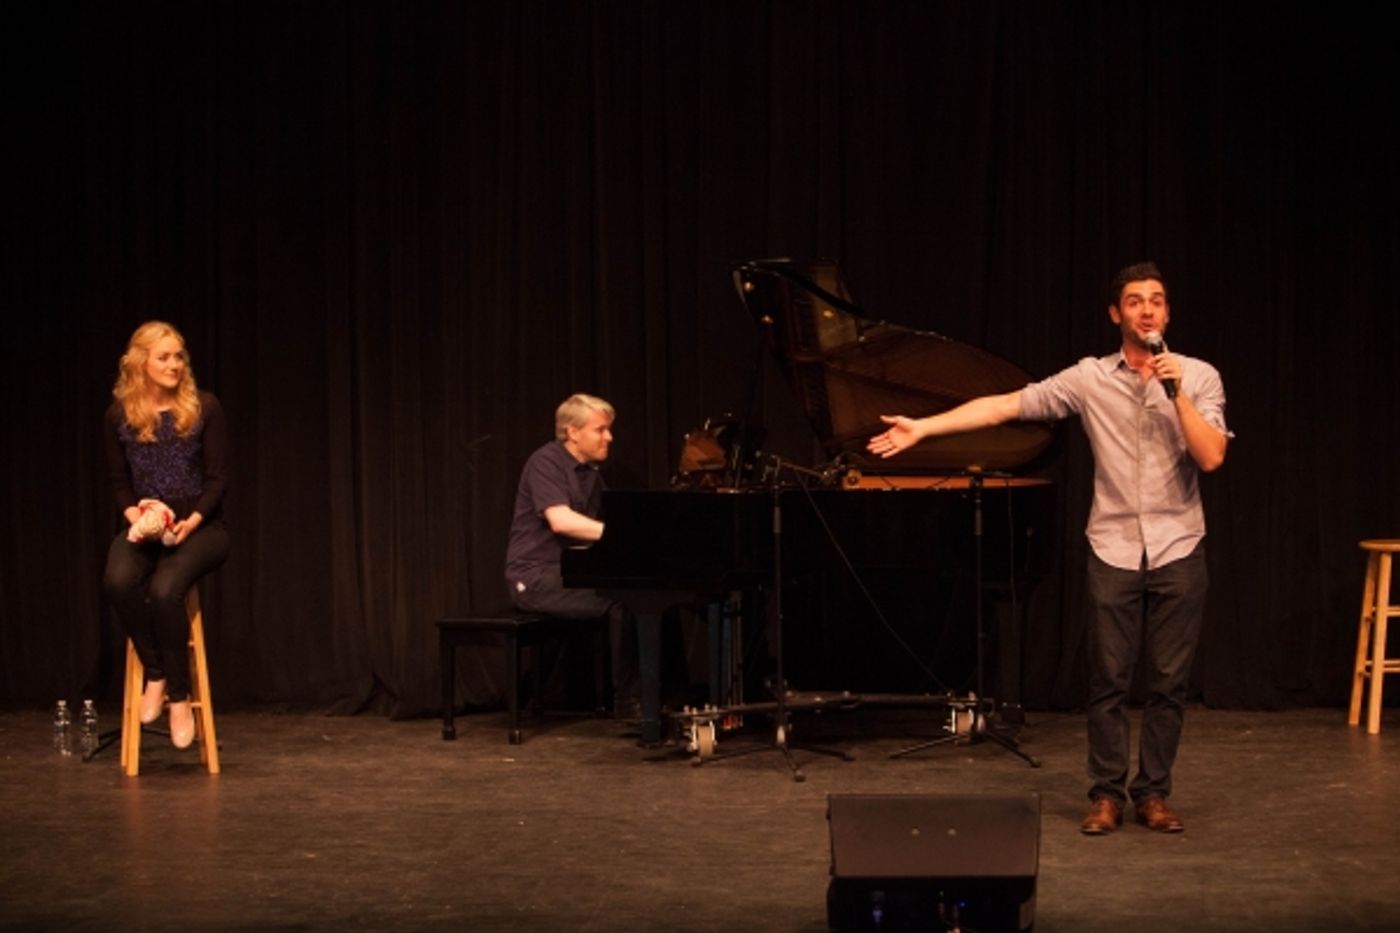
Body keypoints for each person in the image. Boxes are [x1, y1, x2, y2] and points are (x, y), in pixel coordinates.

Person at [868, 262, 1228, 835]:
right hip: (1112, 545)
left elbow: (1211, 456)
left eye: (1157, 301)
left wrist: (1176, 391)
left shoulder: (1199, 377)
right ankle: (1107, 795)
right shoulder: (1088, 378)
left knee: (1168, 683)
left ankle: (1153, 794)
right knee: (1108, 680)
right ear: (1117, 314)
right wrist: (925, 429)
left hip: (1178, 545)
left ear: (1168, 312)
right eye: (1135, 301)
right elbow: (1006, 405)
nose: (1147, 310)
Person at [102, 321, 230, 750]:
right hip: (147, 523)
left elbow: (216, 481)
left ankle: (179, 695)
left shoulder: (204, 407)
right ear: (141, 362)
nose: (174, 364)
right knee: (118, 581)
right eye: (164, 356)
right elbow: (120, 484)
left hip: (201, 527)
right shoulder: (120, 415)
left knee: (163, 591)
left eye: (179, 356)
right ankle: (155, 673)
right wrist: (137, 514)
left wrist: (189, 521)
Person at [505, 393, 641, 721]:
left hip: (569, 573)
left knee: (650, 594)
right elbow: (561, 521)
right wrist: (623, 537)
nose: (609, 437)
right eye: (601, 429)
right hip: (534, 577)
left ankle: (665, 695)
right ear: (572, 432)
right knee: (621, 601)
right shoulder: (546, 462)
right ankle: (629, 704)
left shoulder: (591, 474)